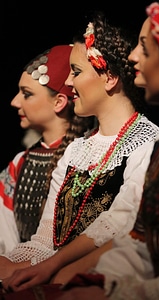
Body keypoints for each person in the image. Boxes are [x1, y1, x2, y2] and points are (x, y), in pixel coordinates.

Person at [43, 0, 159, 298]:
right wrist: (99, 280)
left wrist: (118, 292)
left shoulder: (151, 144)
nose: (133, 57)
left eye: (144, 47)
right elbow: (138, 243)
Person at [0, 11, 159, 290]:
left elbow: (121, 230)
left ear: (109, 77)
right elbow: (45, 241)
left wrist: (51, 271)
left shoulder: (149, 144)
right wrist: (15, 264)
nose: (69, 83)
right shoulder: (76, 150)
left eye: (76, 72)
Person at [0, 44, 95, 254]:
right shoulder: (19, 164)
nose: (15, 102)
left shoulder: (89, 159)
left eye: (27, 94)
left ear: (59, 102)